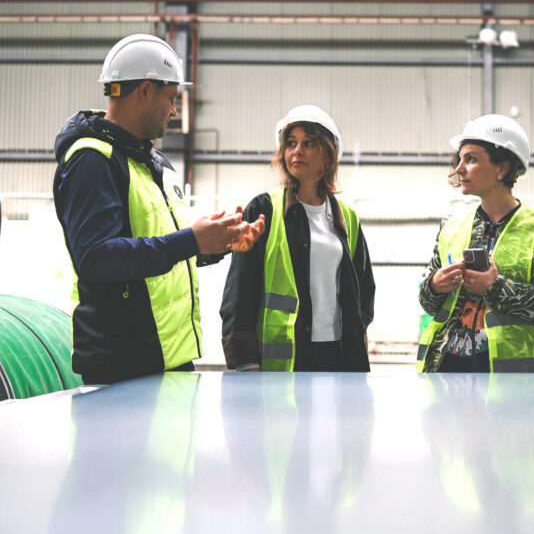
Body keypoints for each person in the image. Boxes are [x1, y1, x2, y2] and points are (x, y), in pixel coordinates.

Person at [53, 33, 265, 385]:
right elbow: (96, 258)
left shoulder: (156, 164)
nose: (174, 111)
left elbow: (160, 249)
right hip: (123, 366)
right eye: (171, 98)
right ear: (145, 91)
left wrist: (216, 242)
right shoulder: (92, 161)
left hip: (171, 358)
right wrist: (191, 241)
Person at [417, 114, 534, 373]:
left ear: (502, 167)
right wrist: (435, 286)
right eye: (460, 159)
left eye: (471, 159)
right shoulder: (451, 225)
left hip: (516, 378)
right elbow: (427, 302)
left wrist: (496, 288)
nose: (459, 169)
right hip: (449, 371)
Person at [220, 105, 375, 372]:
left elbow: (364, 288)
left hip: (338, 352)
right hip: (283, 361)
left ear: (329, 155)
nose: (297, 151)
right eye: (291, 143)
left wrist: (357, 330)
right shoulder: (264, 209)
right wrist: (244, 360)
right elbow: (239, 290)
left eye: (308, 143)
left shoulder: (347, 217)